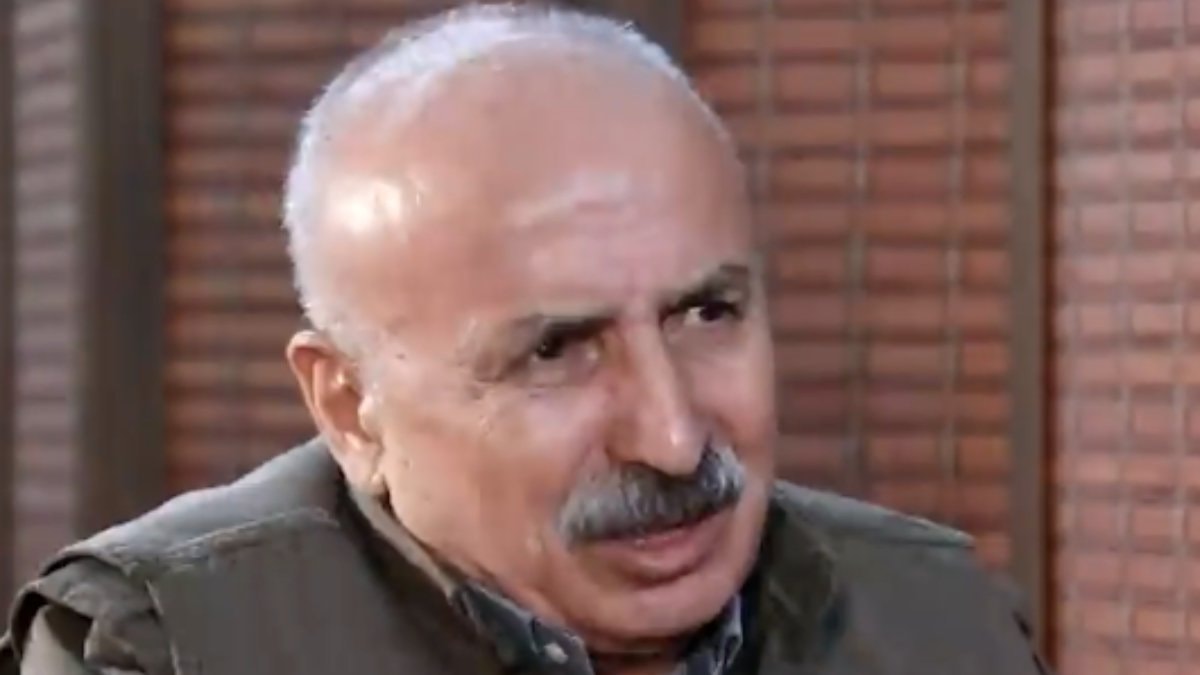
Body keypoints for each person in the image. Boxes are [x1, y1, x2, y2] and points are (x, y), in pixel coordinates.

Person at [1, 5, 1052, 674]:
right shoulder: (167, 647)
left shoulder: (940, 625)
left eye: (706, 314)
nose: (674, 439)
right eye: (556, 351)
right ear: (350, 408)